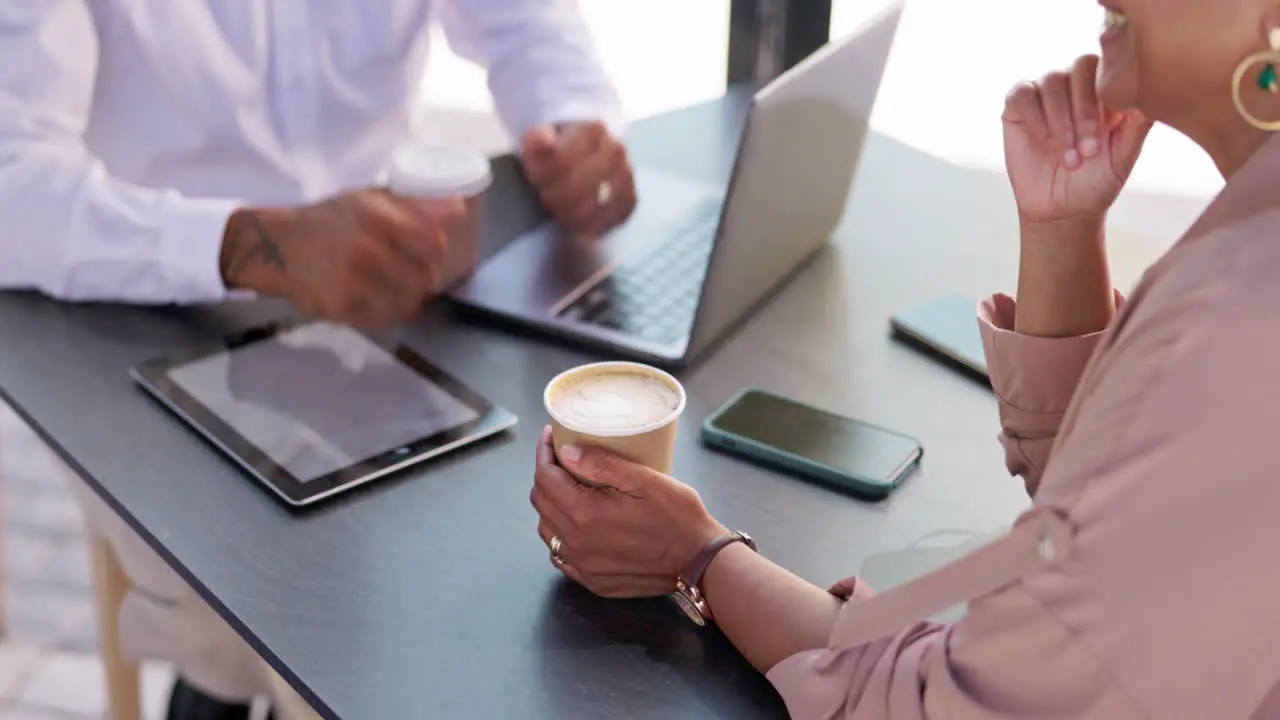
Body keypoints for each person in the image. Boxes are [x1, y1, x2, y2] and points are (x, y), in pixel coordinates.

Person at [530, 0, 1280, 716]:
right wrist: (1061, 231)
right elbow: (1118, 522)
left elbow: (942, 707)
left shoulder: (1239, 316)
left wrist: (696, 557)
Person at [0, 1, 635, 718]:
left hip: (397, 296)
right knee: (270, 608)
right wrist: (246, 242)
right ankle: (220, 686)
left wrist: (573, 122)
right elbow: (10, 188)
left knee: (511, 555)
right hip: (144, 307)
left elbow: (527, 24)